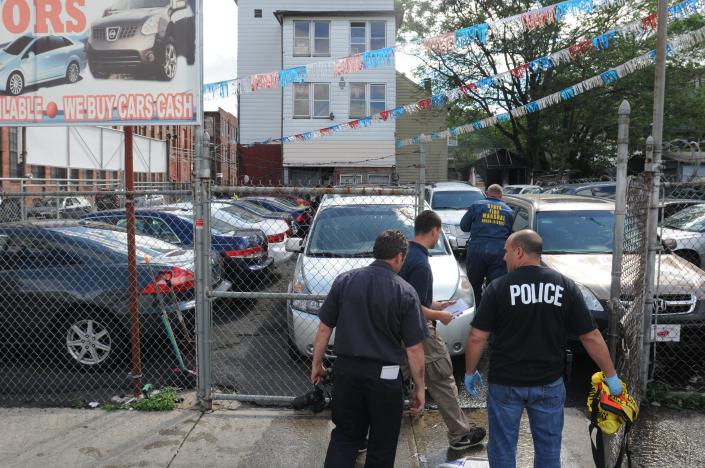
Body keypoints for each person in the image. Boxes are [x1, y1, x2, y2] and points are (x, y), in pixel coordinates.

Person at [463, 230, 624, 468]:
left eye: (506, 252)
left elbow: (477, 337)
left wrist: (469, 371)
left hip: (506, 382)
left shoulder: (498, 288)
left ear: (518, 251)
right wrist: (611, 375)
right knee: (549, 448)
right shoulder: (565, 286)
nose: (503, 258)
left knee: (502, 447)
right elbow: (590, 336)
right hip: (548, 382)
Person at [311, 229, 427, 468]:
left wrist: (317, 364)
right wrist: (419, 388)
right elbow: (414, 349)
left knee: (345, 436)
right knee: (382, 445)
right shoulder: (405, 291)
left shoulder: (345, 280)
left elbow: (324, 328)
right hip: (385, 377)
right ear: (399, 256)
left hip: (346, 371)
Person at [399, 210, 486, 450]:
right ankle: (460, 434)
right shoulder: (420, 263)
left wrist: (439, 305)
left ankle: (359, 433)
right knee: (442, 377)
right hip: (419, 331)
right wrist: (441, 315)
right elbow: (415, 308)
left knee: (390, 378)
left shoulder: (405, 255)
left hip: (398, 330)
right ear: (435, 231)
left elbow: (414, 300)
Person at [460, 184, 513, 306]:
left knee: (474, 284)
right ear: (501, 196)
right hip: (499, 250)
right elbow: (510, 233)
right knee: (496, 286)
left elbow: (464, 226)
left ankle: (476, 311)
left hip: (477, 248)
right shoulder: (508, 211)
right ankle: (493, 313)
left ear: (487, 194)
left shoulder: (476, 205)